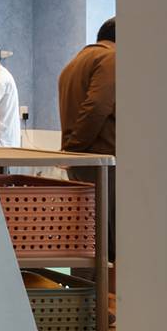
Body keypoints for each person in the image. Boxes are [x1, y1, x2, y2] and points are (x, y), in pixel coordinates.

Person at [59, 17, 117, 263]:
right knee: (109, 242)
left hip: (82, 159)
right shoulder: (111, 58)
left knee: (86, 236)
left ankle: (88, 287)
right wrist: (75, 148)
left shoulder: (75, 62)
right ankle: (111, 289)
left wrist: (70, 151)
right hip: (102, 157)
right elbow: (97, 107)